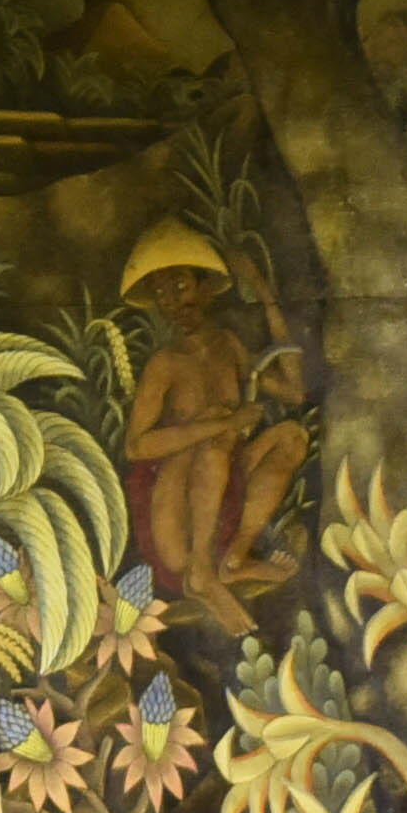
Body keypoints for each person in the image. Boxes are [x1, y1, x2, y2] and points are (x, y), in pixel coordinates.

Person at [114, 220, 308, 620]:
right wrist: (224, 424)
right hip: (177, 525)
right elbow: (136, 446)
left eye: (180, 286)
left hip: (224, 501)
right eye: (161, 294)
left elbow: (294, 392)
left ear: (204, 289)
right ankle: (201, 571)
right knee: (217, 441)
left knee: (291, 437)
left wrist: (264, 294)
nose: (173, 302)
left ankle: (234, 559)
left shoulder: (228, 345)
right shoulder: (165, 364)